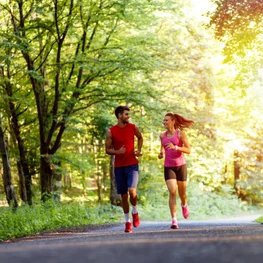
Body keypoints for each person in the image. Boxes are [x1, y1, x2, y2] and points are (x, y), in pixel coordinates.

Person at [105, 106, 143, 233]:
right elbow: (107, 150)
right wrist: (117, 152)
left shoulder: (133, 127)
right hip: (119, 166)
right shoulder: (111, 131)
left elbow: (140, 137)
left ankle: (135, 211)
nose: (128, 116)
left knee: (132, 190)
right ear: (119, 115)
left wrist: (139, 150)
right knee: (123, 195)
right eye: (126, 114)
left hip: (132, 164)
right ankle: (127, 222)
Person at [158, 113, 194, 229]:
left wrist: (176, 147)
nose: (164, 123)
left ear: (173, 121)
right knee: (172, 191)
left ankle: (184, 204)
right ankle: (174, 220)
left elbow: (188, 150)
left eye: (167, 121)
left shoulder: (180, 133)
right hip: (168, 166)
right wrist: (161, 153)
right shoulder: (162, 135)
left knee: (182, 193)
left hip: (180, 166)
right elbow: (163, 147)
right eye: (164, 121)